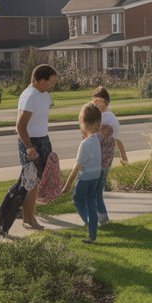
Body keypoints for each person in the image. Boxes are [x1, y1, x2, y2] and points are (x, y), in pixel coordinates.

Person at [12, 64, 58, 230]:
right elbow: (20, 126)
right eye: (50, 82)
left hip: (44, 139)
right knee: (31, 182)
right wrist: (29, 148)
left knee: (36, 181)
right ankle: (28, 219)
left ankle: (29, 215)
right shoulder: (29, 96)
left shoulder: (44, 94)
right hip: (31, 143)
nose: (52, 85)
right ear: (38, 80)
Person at [60, 103, 104, 243]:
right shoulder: (97, 139)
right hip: (96, 176)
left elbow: (77, 167)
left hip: (85, 177)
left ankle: (89, 222)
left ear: (83, 123)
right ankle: (92, 234)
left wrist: (67, 185)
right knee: (91, 202)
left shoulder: (84, 144)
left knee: (78, 199)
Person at [90, 86, 129, 225]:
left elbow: (116, 139)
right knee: (95, 189)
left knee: (95, 189)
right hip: (97, 158)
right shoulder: (96, 116)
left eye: (100, 101)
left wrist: (123, 155)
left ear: (106, 102)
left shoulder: (108, 118)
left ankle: (101, 219)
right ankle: (98, 218)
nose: (97, 103)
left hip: (102, 158)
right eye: (95, 100)